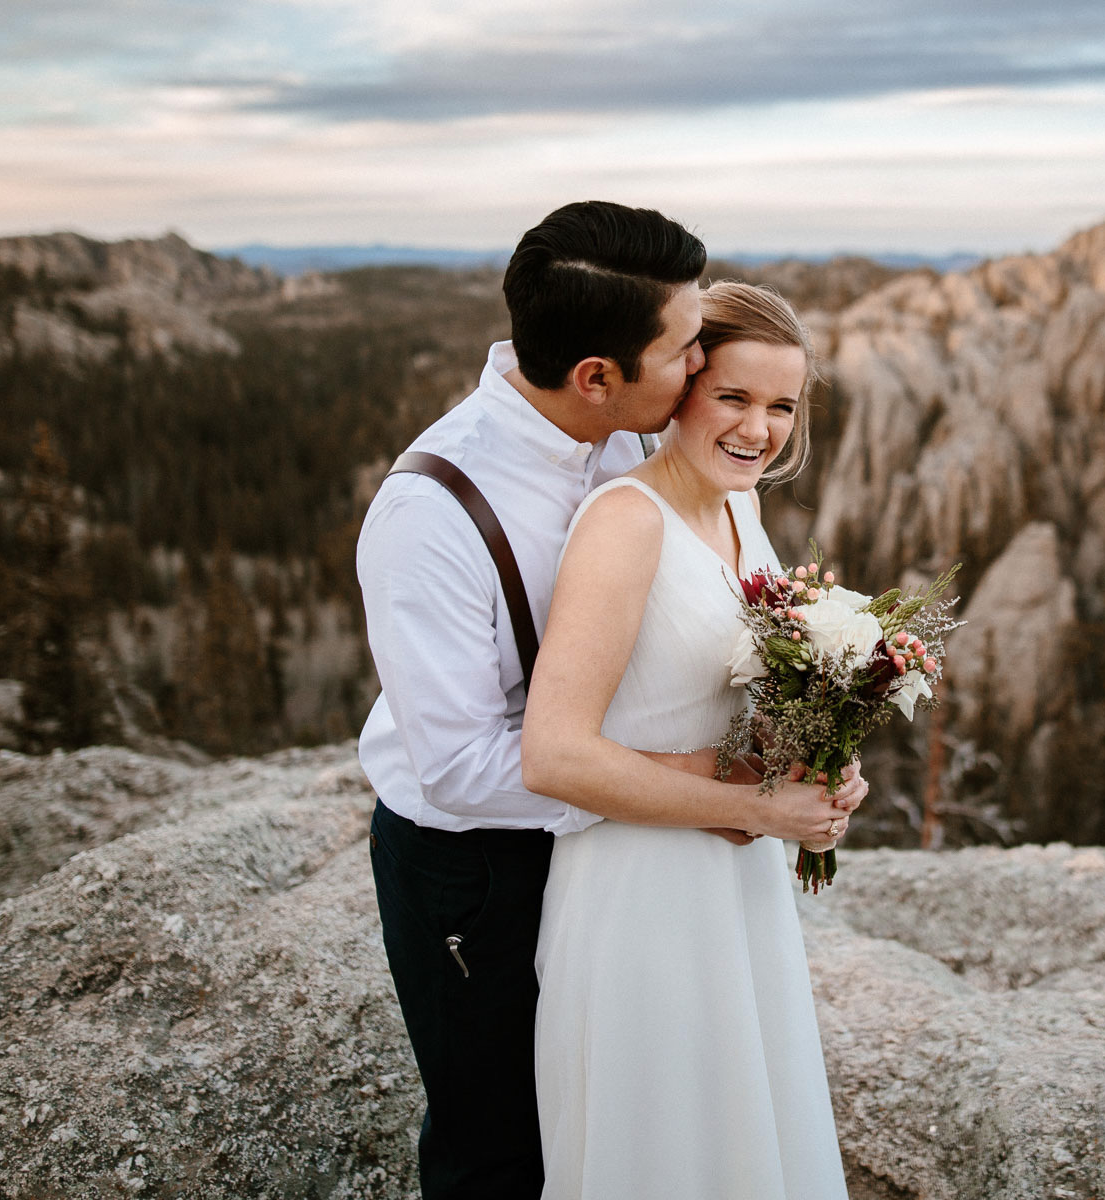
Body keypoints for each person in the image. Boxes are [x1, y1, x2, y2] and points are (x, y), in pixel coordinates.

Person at [357, 203, 863, 1200]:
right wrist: (725, 794)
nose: (699, 364)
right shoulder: (431, 514)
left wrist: (798, 742)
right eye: (685, 351)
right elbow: (464, 768)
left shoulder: (642, 439)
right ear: (599, 375)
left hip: (636, 847)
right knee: (498, 1140)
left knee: (646, 1109)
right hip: (477, 865)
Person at [523, 281, 848, 1199]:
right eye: (734, 397)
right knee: (667, 1150)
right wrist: (760, 807)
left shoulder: (740, 510)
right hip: (642, 899)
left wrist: (819, 759)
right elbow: (554, 756)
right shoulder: (626, 524)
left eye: (782, 405)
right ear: (683, 388)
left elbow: (751, 692)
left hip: (736, 886)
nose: (760, 428)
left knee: (747, 1144)